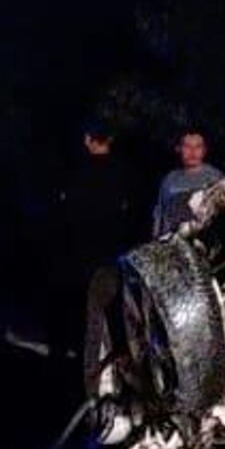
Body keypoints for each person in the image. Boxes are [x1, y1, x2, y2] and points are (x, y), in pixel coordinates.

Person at [48, 120, 138, 367]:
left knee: (74, 306)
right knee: (109, 309)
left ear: (88, 139)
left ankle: (65, 355)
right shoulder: (122, 173)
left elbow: (63, 214)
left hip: (76, 253)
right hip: (110, 253)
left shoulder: (76, 172)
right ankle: (112, 358)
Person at [152, 128, 223, 238]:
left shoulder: (216, 178)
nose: (192, 151)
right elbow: (160, 214)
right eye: (187, 146)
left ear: (204, 150)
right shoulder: (170, 179)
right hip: (173, 241)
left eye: (198, 146)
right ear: (179, 149)